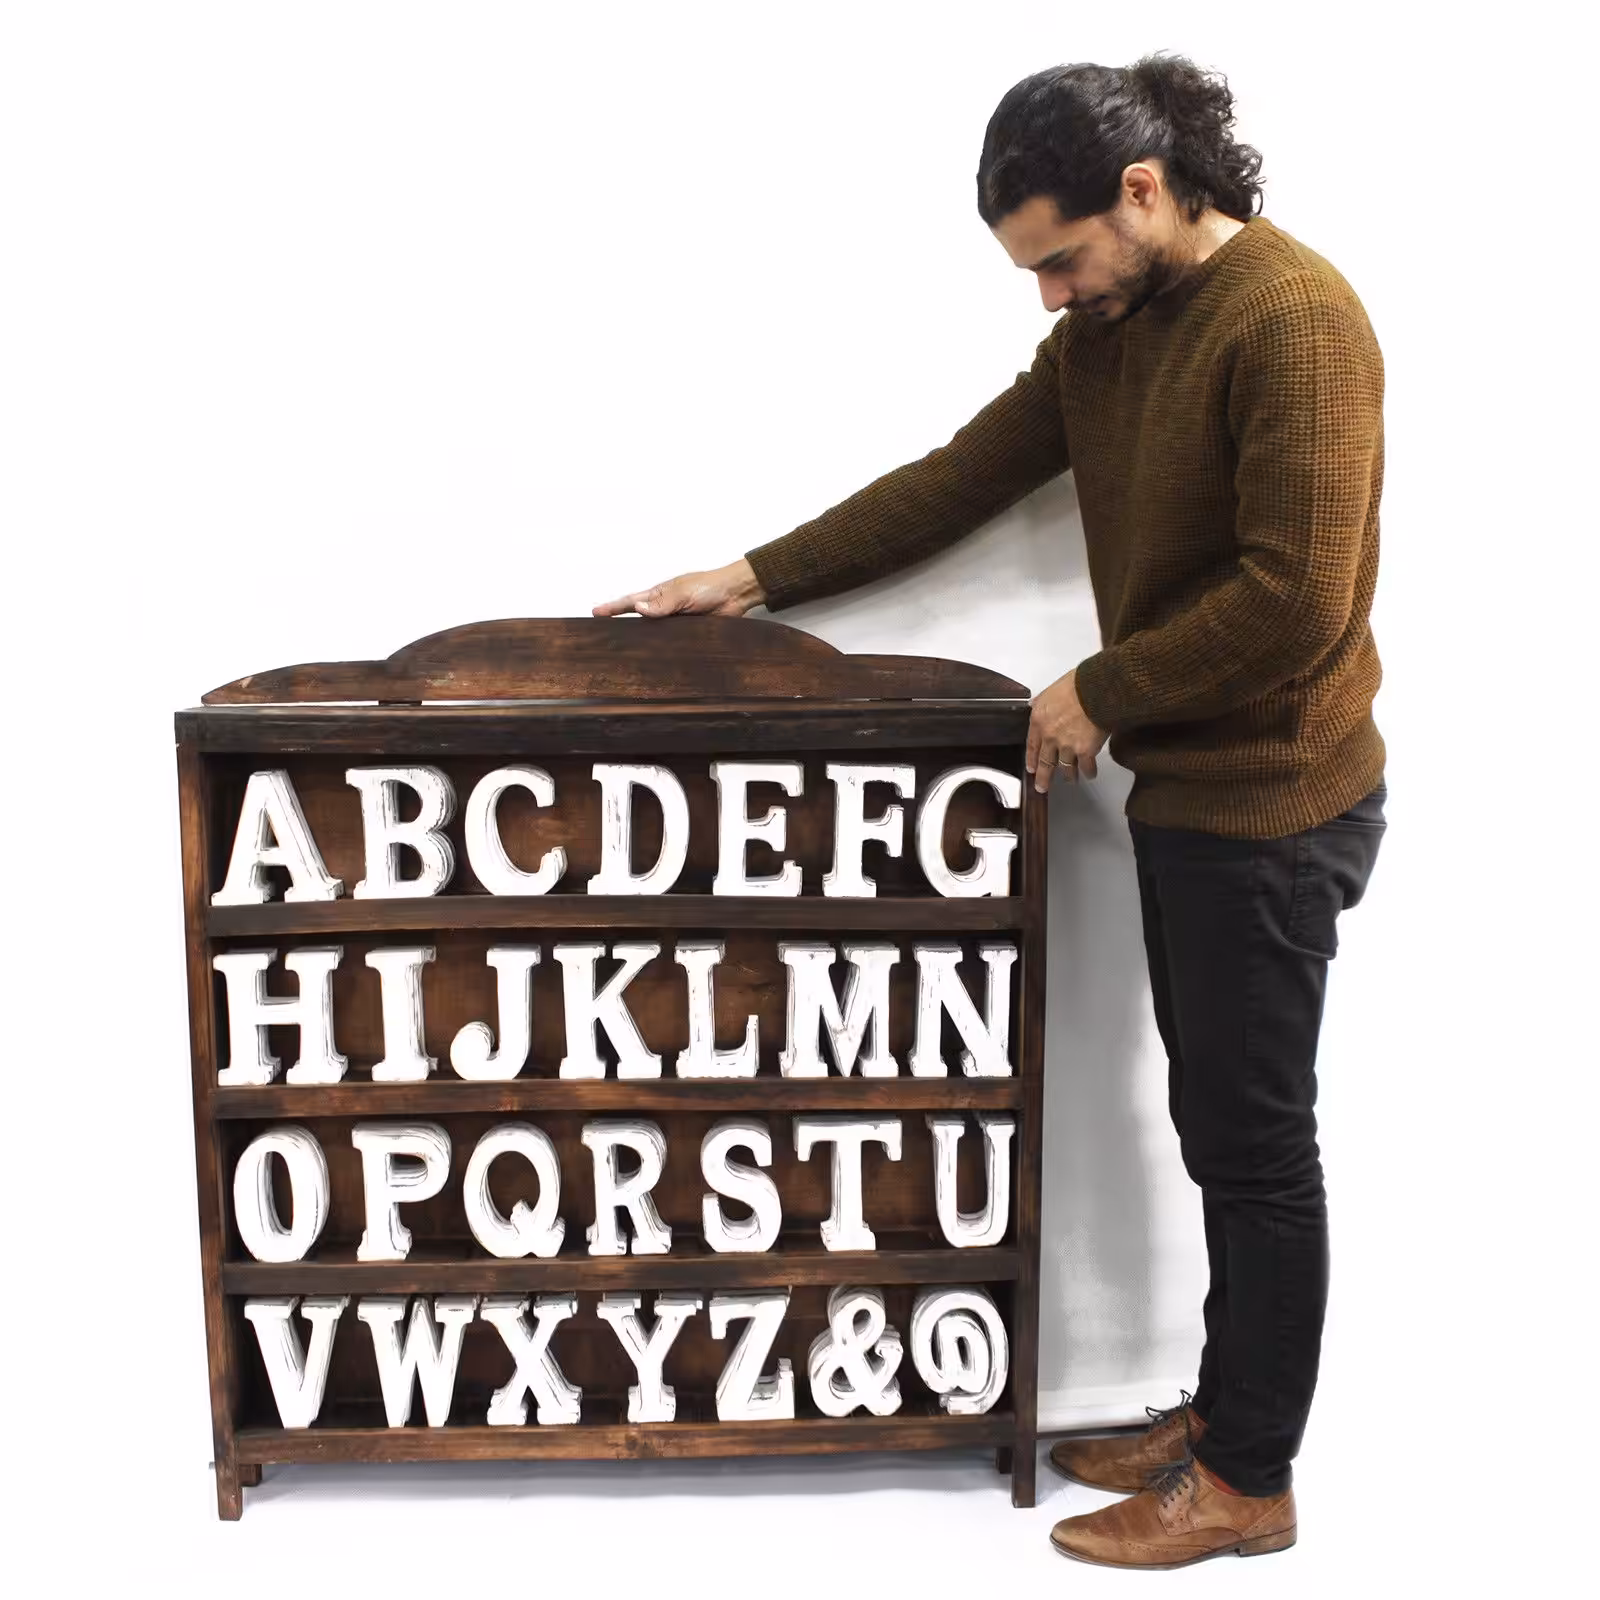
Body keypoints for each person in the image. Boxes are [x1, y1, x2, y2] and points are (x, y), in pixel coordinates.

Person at [595, 52, 1387, 1571]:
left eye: (1061, 258)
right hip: (1194, 792)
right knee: (1222, 1130)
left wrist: (1100, 689)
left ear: (1144, 191)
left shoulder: (1294, 320)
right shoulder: (1112, 330)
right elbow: (963, 476)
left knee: (1255, 1148)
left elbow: (1295, 599)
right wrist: (750, 578)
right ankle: (1223, 1419)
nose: (1048, 295)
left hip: (1275, 803)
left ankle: (1249, 1481)